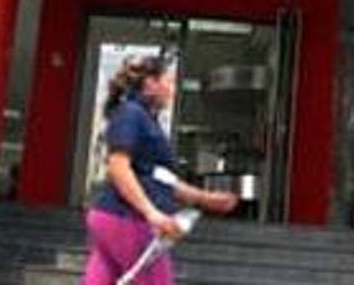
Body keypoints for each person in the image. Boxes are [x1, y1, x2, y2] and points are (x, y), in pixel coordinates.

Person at [83, 55, 239, 284]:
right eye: (169, 81)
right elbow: (118, 168)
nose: (172, 89)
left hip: (110, 218)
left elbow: (159, 177)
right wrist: (151, 213)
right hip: (128, 218)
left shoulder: (145, 119)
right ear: (151, 84)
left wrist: (206, 199)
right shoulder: (132, 114)